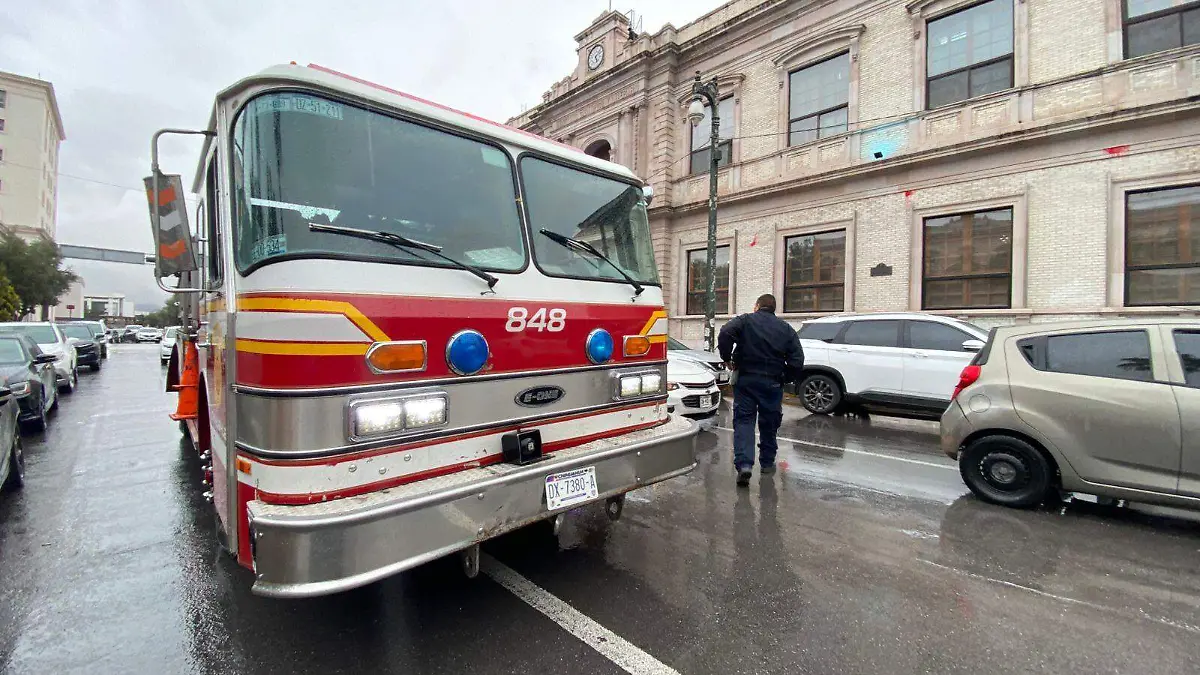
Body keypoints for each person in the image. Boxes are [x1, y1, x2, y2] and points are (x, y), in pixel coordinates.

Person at [717, 293, 804, 486]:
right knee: (769, 423)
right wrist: (784, 377)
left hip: (746, 380)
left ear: (757, 306)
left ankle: (745, 465)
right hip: (772, 383)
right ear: (773, 309)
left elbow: (725, 332)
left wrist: (726, 357)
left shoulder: (746, 320)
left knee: (744, 421)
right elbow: (798, 361)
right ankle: (766, 462)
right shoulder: (786, 329)